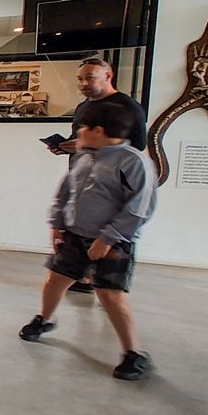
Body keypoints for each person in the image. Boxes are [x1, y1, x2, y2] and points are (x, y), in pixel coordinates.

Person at [19, 98, 156, 380]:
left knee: (109, 294)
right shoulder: (84, 156)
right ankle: (45, 319)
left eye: (81, 128)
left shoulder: (133, 162)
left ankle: (133, 352)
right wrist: (57, 224)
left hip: (112, 243)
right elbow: (65, 192)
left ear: (99, 130)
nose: (77, 133)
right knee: (56, 279)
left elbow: (138, 208)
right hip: (74, 235)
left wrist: (108, 239)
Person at [46, 57, 149, 293]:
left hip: (113, 182)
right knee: (78, 224)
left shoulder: (128, 107)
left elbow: (138, 145)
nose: (84, 83)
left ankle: (108, 282)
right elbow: (80, 141)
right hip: (82, 176)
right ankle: (80, 275)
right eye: (80, 79)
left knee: (108, 230)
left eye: (89, 77)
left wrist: (92, 147)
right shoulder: (84, 107)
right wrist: (64, 147)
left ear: (107, 76)